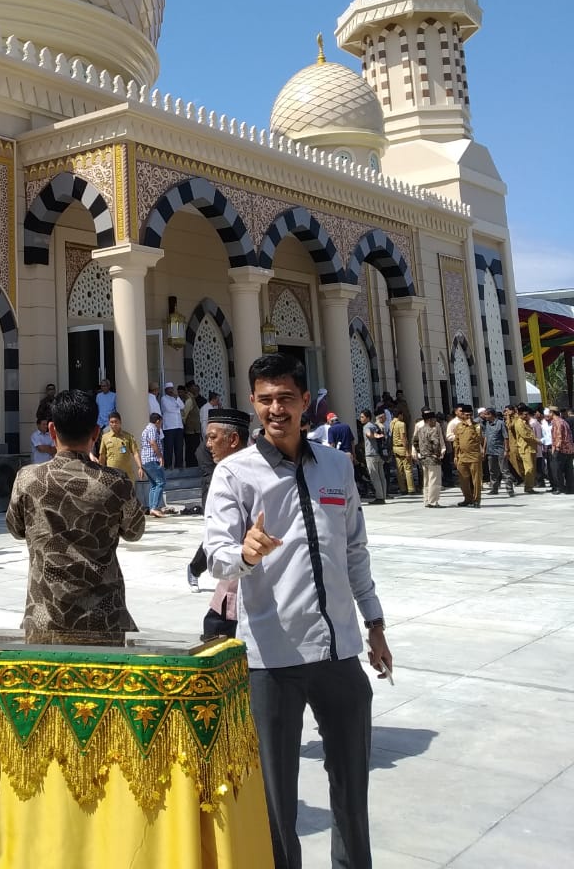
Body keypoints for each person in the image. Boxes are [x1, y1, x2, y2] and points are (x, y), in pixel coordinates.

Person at [205, 353, 392, 869]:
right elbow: (217, 552)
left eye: (286, 398)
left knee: (352, 787)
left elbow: (354, 550)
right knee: (275, 802)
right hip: (273, 659)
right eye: (265, 399)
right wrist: (246, 552)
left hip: (339, 653)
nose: (276, 409)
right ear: (253, 403)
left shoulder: (336, 466)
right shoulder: (235, 474)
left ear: (306, 401)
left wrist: (374, 624)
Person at [6, 389, 145, 644]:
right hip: (103, 618)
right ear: (95, 433)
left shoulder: (28, 479)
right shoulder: (115, 482)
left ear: (51, 430)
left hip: (45, 616)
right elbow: (135, 532)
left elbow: (15, 528)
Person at [187, 408, 249, 604]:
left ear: (233, 440)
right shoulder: (219, 473)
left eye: (213, 438)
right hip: (236, 571)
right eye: (208, 438)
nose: (208, 444)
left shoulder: (259, 471)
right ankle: (194, 569)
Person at [412, 409, 446, 507]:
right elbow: (436, 443)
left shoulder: (420, 429)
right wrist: (437, 454)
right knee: (434, 480)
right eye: (434, 419)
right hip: (432, 458)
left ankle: (426, 499)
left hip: (423, 458)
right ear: (430, 420)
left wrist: (419, 451)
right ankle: (433, 501)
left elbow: (414, 441)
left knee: (426, 480)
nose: (435, 421)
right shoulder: (433, 429)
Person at [452, 404, 484, 506]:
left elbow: (478, 439)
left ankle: (476, 500)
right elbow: (456, 442)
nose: (468, 417)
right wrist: (455, 456)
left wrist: (471, 426)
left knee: (476, 480)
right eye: (466, 415)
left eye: (470, 415)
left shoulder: (477, 426)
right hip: (462, 457)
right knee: (463, 480)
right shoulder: (458, 426)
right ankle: (467, 498)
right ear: (462, 415)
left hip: (474, 456)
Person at [98, 411, 141, 487]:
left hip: (127, 475)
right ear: (109, 423)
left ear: (120, 422)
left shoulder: (128, 437)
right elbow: (102, 456)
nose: (114, 424)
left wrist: (140, 467)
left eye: (116, 422)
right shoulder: (105, 437)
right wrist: (100, 471)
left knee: (129, 496)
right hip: (112, 474)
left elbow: (135, 453)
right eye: (111, 422)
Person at [478, 407, 512, 498]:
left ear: (491, 415)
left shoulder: (501, 424)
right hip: (490, 451)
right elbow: (486, 437)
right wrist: (484, 449)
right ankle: (494, 489)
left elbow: (506, 437)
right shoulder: (487, 424)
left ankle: (509, 489)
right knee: (492, 471)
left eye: (486, 414)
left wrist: (506, 450)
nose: (485, 416)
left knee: (504, 470)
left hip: (500, 450)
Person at [139, 413, 166, 518]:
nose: (160, 425)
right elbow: (153, 442)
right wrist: (160, 456)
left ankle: (152, 508)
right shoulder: (152, 429)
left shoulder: (146, 429)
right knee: (160, 482)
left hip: (146, 461)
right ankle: (154, 507)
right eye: (161, 423)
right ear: (158, 421)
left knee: (154, 484)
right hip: (152, 459)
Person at [511, 405, 538, 494]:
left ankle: (530, 486)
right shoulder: (519, 423)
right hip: (525, 448)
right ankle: (528, 487)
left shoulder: (525, 422)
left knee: (532, 468)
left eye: (527, 414)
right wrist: (537, 440)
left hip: (531, 448)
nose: (527, 416)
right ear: (520, 414)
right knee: (529, 468)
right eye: (525, 415)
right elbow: (525, 435)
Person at [361, 410, 386, 504]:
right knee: (381, 475)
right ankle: (383, 495)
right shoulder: (375, 425)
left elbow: (369, 435)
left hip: (371, 454)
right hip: (379, 453)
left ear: (367, 418)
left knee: (374, 476)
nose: (361, 419)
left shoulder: (366, 426)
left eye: (362, 417)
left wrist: (375, 436)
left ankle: (379, 497)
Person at [159, 382, 185, 469]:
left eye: (172, 389)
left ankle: (179, 466)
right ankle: (168, 465)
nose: (171, 390)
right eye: (169, 389)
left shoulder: (176, 398)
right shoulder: (163, 399)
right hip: (169, 427)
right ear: (166, 390)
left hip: (179, 426)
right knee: (169, 448)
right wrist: (176, 408)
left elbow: (182, 406)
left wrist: (177, 398)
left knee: (179, 447)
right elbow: (168, 409)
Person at [390, 412, 414, 494]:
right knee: (408, 468)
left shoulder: (392, 423)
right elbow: (403, 437)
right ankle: (411, 488)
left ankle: (402, 489)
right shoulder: (401, 424)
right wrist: (407, 451)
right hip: (401, 448)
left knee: (399, 469)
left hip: (394, 447)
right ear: (400, 415)